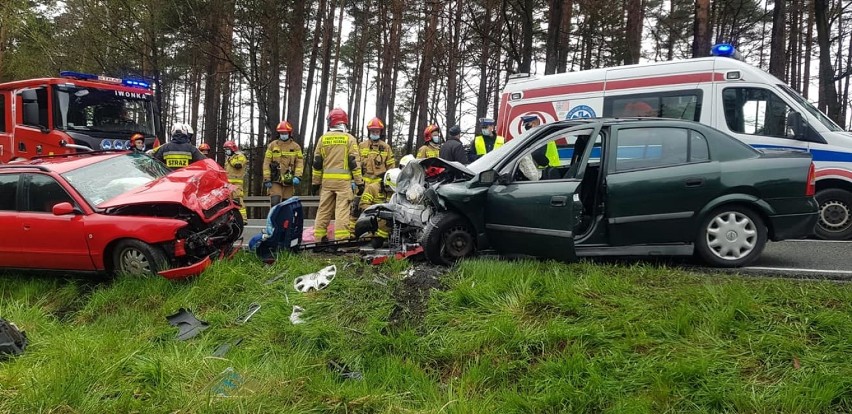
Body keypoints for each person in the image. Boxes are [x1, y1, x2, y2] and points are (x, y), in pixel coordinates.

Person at [311, 108, 364, 242]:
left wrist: (315, 183)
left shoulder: (323, 139)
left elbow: (317, 163)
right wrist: (359, 182)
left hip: (326, 183)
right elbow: (354, 163)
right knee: (342, 211)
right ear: (344, 122)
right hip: (343, 183)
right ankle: (341, 239)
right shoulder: (349, 139)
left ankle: (319, 237)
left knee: (323, 210)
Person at [263, 120, 304, 206]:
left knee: (287, 205)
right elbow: (266, 163)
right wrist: (267, 178)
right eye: (281, 133)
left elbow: (299, 163)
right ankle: (274, 219)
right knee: (275, 202)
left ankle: (286, 220)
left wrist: (297, 176)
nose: (283, 135)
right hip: (275, 179)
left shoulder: (296, 147)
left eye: (285, 133)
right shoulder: (272, 146)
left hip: (289, 179)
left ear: (289, 133)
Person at [360, 168, 400, 248]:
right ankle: (376, 241)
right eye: (390, 189)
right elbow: (363, 205)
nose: (391, 192)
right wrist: (379, 211)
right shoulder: (372, 188)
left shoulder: (395, 191)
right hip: (374, 220)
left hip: (391, 219)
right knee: (387, 219)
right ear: (386, 184)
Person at [359, 117, 396, 185]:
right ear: (369, 132)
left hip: (379, 183)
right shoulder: (362, 146)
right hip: (364, 183)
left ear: (380, 132)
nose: (375, 133)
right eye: (373, 131)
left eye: (377, 131)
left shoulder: (386, 147)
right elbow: (357, 164)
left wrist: (388, 182)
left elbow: (391, 166)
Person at [223, 140, 248, 223]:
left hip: (237, 184)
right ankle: (233, 218)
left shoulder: (240, 156)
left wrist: (231, 160)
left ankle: (243, 218)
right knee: (229, 201)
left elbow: (238, 165)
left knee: (238, 200)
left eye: (227, 149)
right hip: (228, 184)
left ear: (232, 148)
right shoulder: (229, 159)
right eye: (225, 149)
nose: (226, 151)